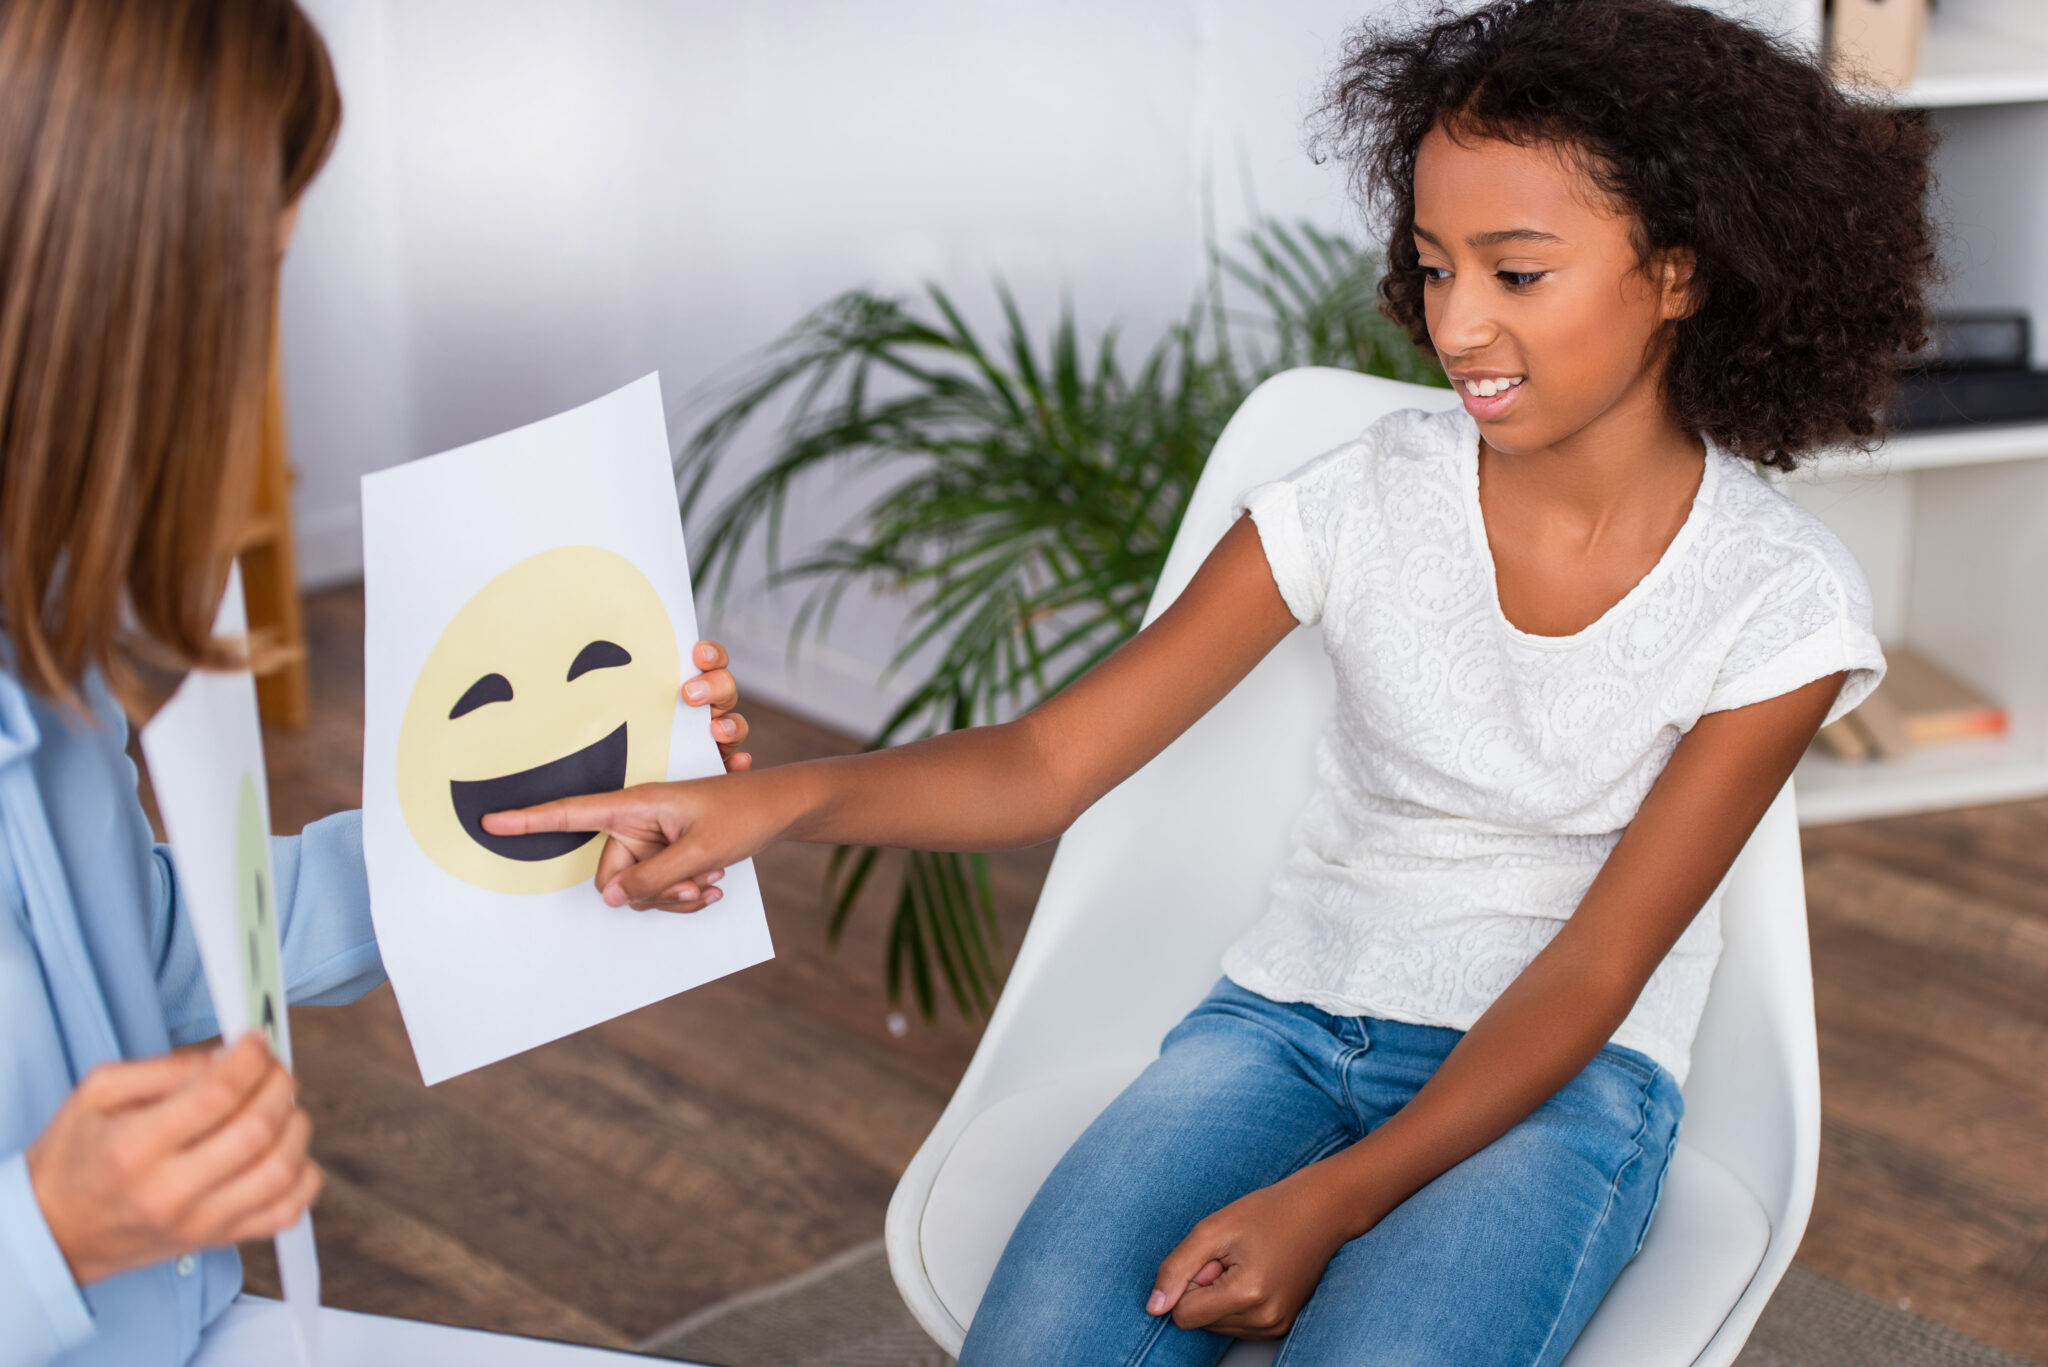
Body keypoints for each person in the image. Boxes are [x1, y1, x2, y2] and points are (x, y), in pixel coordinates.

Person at [490, 1, 1936, 1362]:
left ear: (1679, 272)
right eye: (1434, 267)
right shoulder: (1354, 503)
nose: (1457, 327)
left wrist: (1335, 1201)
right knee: (1044, 1338)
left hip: (1567, 1079)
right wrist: (777, 803)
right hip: (1284, 1025)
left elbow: (1597, 973)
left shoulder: (1776, 602)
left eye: (1519, 272)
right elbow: (1047, 763)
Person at [0, 4, 749, 1364]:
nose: (251, 355)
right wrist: (44, 1236)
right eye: (245, 284)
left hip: (175, 1327)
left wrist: (541, 828)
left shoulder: (40, 640)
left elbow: (146, 952)